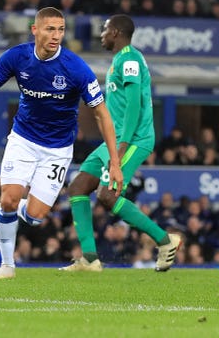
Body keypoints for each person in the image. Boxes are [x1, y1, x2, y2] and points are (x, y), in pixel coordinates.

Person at [0, 7, 123, 279]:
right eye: (50, 29)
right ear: (35, 30)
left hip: (58, 150)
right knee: (8, 200)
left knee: (36, 216)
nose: (56, 35)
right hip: (23, 140)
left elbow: (102, 115)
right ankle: (6, 266)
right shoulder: (17, 57)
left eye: (61, 30)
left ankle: (22, 212)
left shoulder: (76, 69)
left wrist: (115, 162)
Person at [62, 14, 182, 273]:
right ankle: (90, 260)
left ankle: (164, 240)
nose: (101, 35)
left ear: (115, 32)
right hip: (112, 140)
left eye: (104, 30)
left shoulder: (130, 59)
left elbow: (134, 106)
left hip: (133, 140)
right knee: (78, 187)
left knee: (107, 195)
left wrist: (123, 146)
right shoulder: (121, 59)